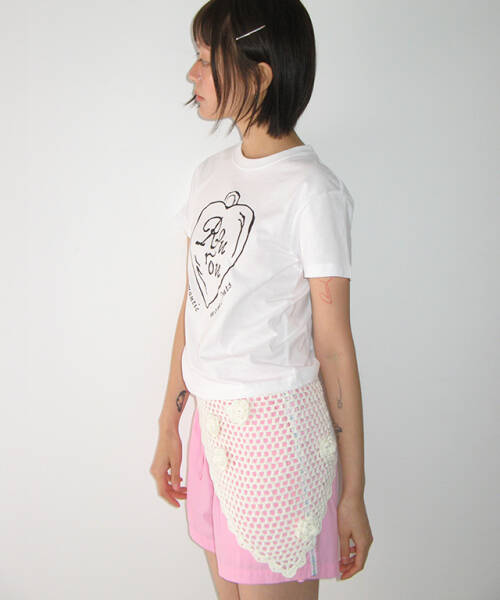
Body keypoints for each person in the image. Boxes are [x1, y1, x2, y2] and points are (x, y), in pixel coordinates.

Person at [150, 1, 373, 598]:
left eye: (205, 58)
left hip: (276, 439)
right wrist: (170, 422)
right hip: (210, 427)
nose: (191, 73)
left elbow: (334, 347)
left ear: (259, 74)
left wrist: (353, 492)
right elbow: (196, 305)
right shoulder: (208, 175)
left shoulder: (312, 191)